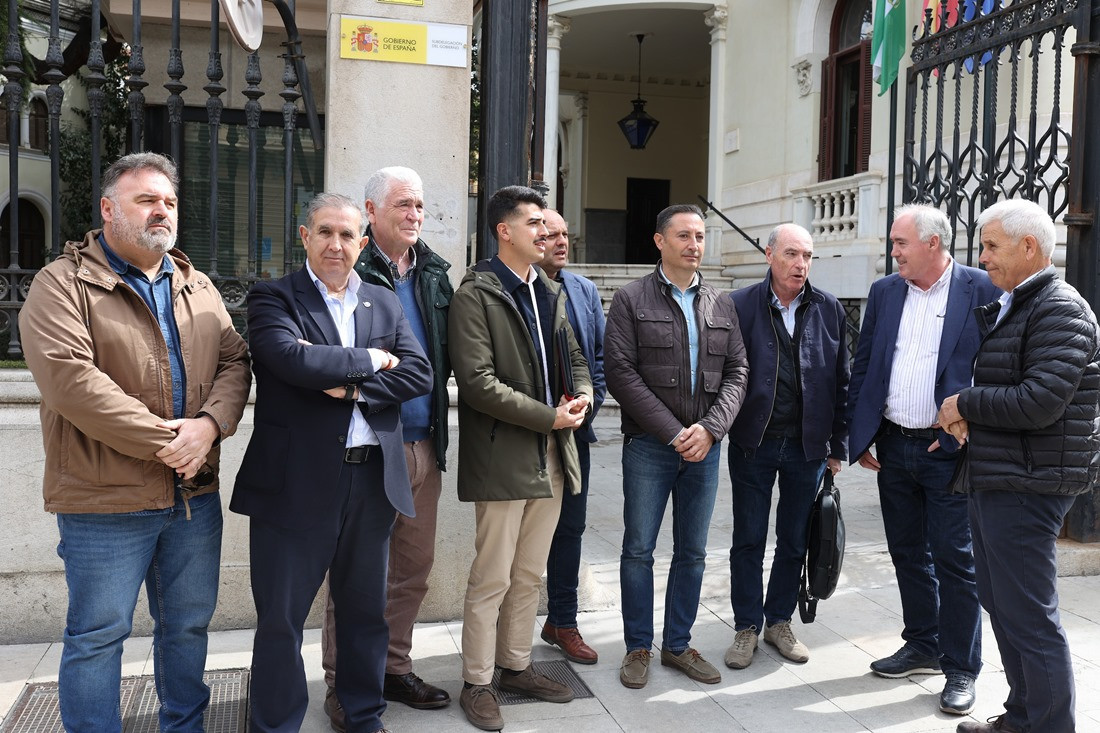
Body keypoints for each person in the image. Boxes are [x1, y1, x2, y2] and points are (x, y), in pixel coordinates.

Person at [20, 152, 251, 732]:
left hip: (192, 497)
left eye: (169, 202)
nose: (161, 211)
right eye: (146, 199)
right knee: (98, 636)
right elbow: (71, 381)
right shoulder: (62, 283)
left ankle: (185, 726)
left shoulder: (195, 283)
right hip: (106, 500)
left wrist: (209, 427)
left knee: (189, 626)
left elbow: (234, 360)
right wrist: (167, 441)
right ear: (107, 209)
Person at [231, 193, 432, 733]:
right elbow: (289, 358)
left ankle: (363, 715)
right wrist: (370, 361)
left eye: (347, 236)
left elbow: (419, 375)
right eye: (325, 232)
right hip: (294, 484)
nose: (335, 245)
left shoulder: (384, 303)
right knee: (281, 620)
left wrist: (351, 392)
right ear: (305, 236)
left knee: (366, 613)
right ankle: (274, 724)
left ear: (363, 243)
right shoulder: (274, 298)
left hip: (371, 480)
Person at [936, 199, 1099, 733]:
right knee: (1002, 605)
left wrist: (964, 404)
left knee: (1028, 615)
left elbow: (1039, 400)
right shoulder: (1021, 303)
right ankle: (1023, 717)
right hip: (1005, 475)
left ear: (1029, 247)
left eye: (990, 246)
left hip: (1032, 483)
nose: (982, 258)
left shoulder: (1060, 308)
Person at [449, 186, 592, 732]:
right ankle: (478, 681)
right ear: (503, 231)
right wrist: (548, 417)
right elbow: (478, 384)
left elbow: (575, 356)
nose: (546, 232)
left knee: (529, 573)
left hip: (554, 453)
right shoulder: (476, 295)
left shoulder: (548, 291)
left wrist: (579, 396)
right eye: (534, 222)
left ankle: (516, 666)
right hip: (505, 457)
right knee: (492, 577)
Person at [848, 203, 999, 716]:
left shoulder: (980, 288)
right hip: (893, 443)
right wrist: (860, 430)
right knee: (907, 551)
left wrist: (968, 428)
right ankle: (923, 644)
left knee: (955, 561)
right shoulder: (885, 292)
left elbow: (997, 366)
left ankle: (961, 667)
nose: (893, 253)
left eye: (900, 243)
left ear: (932, 244)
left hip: (947, 450)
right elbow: (866, 362)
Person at [319, 167, 453, 731]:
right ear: (371, 211)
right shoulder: (350, 267)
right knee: (354, 573)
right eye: (402, 204)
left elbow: (440, 362)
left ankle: (392, 667)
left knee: (412, 570)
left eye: (420, 204)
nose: (415, 213)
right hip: (371, 445)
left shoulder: (436, 274)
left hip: (424, 444)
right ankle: (341, 681)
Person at [605, 203, 748, 690]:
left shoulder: (721, 303)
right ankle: (638, 647)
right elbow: (621, 374)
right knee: (638, 549)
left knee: (692, 552)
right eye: (684, 235)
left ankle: (678, 645)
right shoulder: (630, 299)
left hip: (705, 450)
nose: (694, 244)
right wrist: (673, 431)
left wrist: (710, 429)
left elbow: (738, 372)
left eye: (701, 236)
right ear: (660, 241)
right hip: (650, 446)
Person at [724, 223, 849, 670]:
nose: (801, 264)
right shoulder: (740, 305)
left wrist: (838, 444)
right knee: (748, 539)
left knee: (794, 539)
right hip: (753, 443)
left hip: (807, 447)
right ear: (769, 255)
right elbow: (725, 374)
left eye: (808, 256)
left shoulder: (829, 309)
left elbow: (841, 382)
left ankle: (778, 620)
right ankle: (746, 626)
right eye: (792, 254)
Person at [538, 208, 607, 665]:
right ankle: (504, 635)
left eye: (567, 234)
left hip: (574, 434)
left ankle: (562, 621)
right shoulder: (508, 286)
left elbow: (599, 359)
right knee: (522, 537)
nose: (562, 241)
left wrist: (587, 406)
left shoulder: (583, 289)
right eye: (551, 234)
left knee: (570, 530)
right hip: (525, 433)